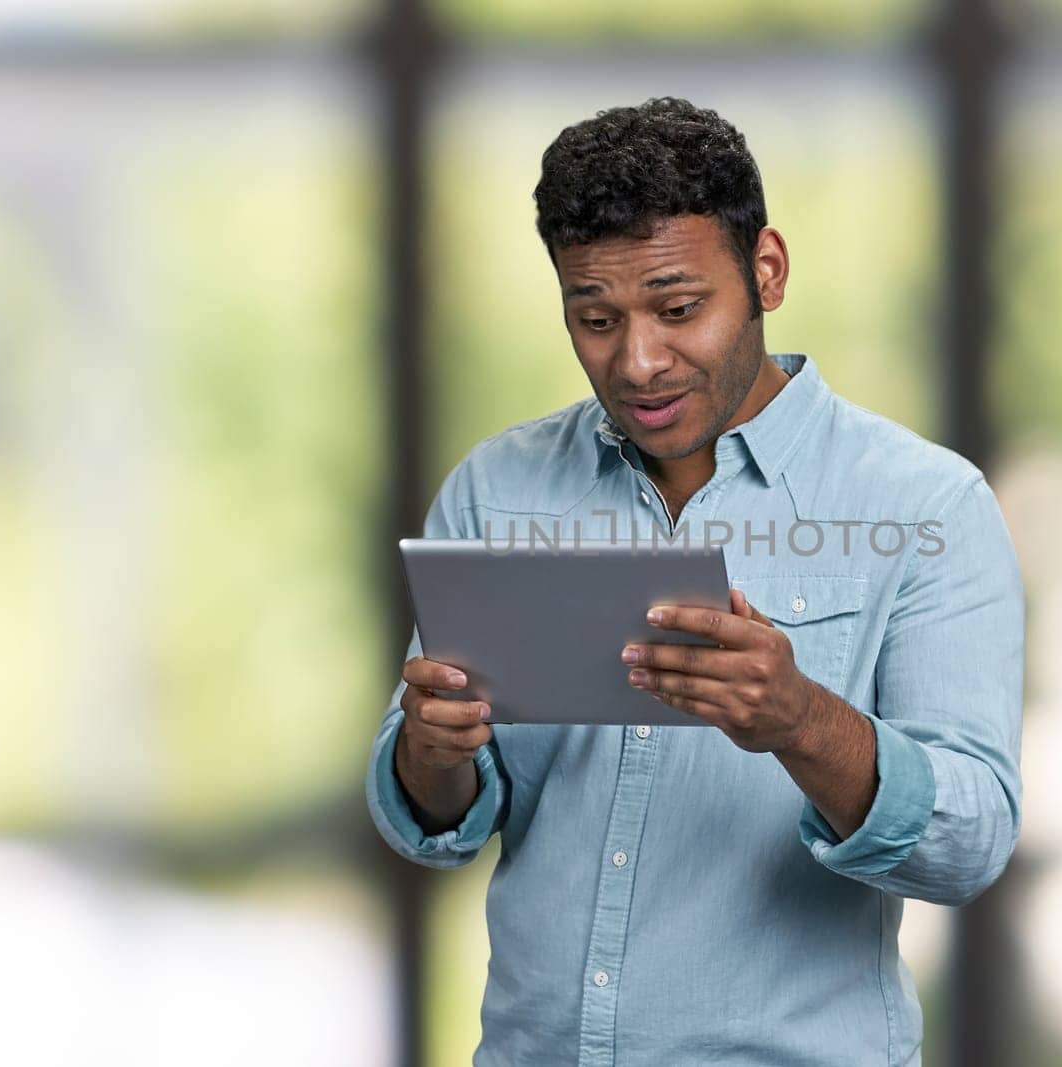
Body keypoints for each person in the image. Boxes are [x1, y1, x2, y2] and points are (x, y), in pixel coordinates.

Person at [365, 96, 1024, 1067]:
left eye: (678, 309)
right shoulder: (497, 487)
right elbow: (434, 822)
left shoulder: (929, 505)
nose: (636, 361)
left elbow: (969, 838)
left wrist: (800, 719)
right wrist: (432, 748)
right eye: (594, 318)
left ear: (766, 271)